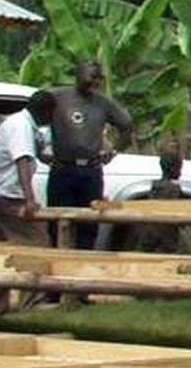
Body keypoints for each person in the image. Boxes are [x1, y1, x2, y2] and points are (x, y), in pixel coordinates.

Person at [0, 90, 56, 312]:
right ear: (45, 111)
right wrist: (29, 200)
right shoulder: (20, 127)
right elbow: (22, 160)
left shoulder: (21, 124)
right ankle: (33, 302)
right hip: (7, 195)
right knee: (37, 244)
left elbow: (35, 155)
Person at [47, 61, 135, 250]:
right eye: (89, 76)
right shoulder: (57, 97)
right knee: (57, 221)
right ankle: (58, 261)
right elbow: (32, 115)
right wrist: (40, 150)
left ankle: (84, 261)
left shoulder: (103, 103)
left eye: (96, 77)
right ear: (77, 75)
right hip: (63, 169)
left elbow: (127, 125)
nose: (92, 81)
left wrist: (114, 151)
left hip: (90, 171)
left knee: (89, 222)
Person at [137, 151, 191, 254]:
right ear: (174, 169)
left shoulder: (154, 187)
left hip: (150, 232)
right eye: (179, 168)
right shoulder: (175, 189)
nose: (180, 172)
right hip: (168, 235)